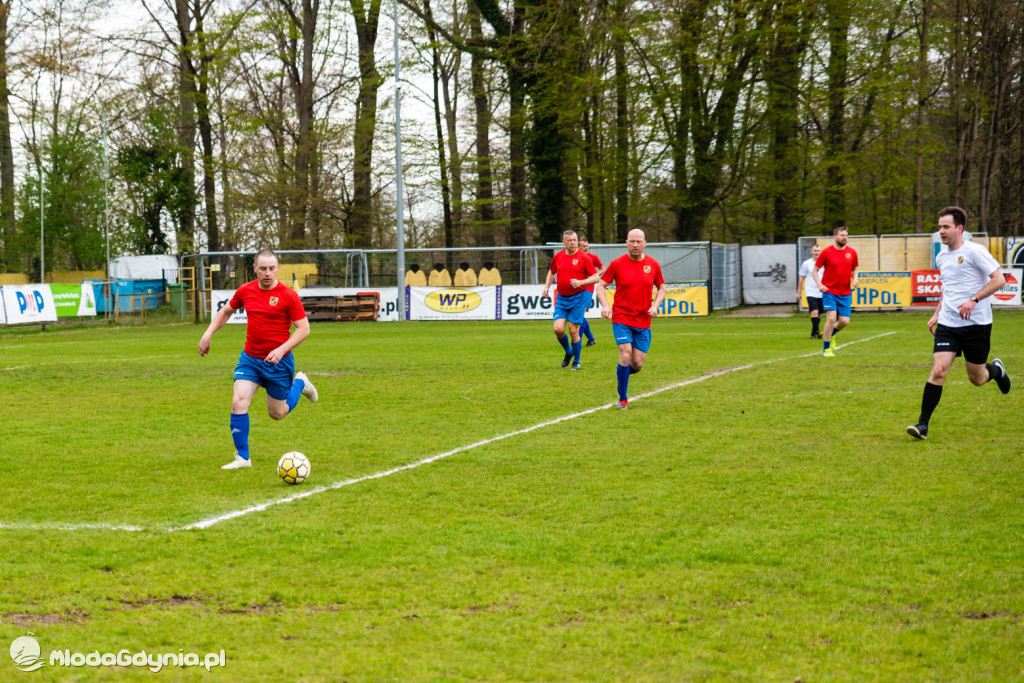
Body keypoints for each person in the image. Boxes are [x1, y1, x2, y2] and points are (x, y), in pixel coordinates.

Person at [199, 249, 319, 470]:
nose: (267, 273)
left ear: (277, 268)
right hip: (251, 359)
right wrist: (208, 334)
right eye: (262, 269)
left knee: (277, 413)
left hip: (279, 363)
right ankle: (243, 458)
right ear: (254, 269)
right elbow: (226, 312)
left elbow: (303, 329)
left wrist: (281, 350)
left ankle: (300, 382)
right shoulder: (246, 290)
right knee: (238, 402)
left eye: (272, 268)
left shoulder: (288, 295)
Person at [907, 206, 1010, 440]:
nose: (941, 231)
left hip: (977, 324)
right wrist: (936, 313)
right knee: (938, 370)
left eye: (946, 227)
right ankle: (922, 425)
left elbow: (999, 279)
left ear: (959, 228)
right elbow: (948, 288)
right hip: (948, 323)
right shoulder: (941, 256)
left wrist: (974, 299)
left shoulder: (975, 252)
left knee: (977, 378)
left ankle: (997, 371)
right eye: (939, 227)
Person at [592, 229, 666, 409]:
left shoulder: (653, 264)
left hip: (643, 320)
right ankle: (623, 399)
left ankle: (621, 374)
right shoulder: (617, 264)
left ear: (644, 243)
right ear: (626, 243)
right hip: (621, 317)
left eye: (638, 241)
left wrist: (655, 306)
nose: (635, 245)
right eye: (632, 241)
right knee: (625, 354)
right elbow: (601, 286)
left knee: (637, 364)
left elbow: (662, 288)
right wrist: (605, 305)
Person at [542, 230, 597, 370]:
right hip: (562, 298)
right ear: (564, 242)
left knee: (573, 330)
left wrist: (581, 282)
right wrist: (546, 287)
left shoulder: (584, 257)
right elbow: (552, 272)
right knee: (558, 329)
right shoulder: (558, 256)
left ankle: (576, 362)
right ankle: (569, 352)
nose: (573, 243)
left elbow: (596, 277)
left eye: (575, 240)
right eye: (570, 240)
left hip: (578, 298)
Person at [813, 226, 859, 357]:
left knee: (844, 321)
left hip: (845, 292)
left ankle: (831, 335)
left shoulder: (852, 252)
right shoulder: (826, 252)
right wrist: (820, 285)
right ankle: (826, 349)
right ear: (835, 237)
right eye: (842, 235)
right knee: (831, 318)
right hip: (829, 291)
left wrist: (854, 279)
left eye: (846, 235)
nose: (845, 237)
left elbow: (854, 269)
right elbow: (814, 270)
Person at [578, 239, 606, 347]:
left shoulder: (593, 257)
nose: (586, 248)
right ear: (578, 247)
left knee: (580, 314)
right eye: (583, 246)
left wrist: (595, 275)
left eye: (587, 246)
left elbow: (602, 269)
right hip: (577, 288)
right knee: (579, 315)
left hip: (588, 288)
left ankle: (578, 340)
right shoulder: (575, 258)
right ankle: (591, 339)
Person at [797, 244, 825, 339]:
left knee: (819, 314)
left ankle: (813, 333)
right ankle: (817, 331)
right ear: (811, 252)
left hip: (821, 292)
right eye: (815, 250)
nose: (817, 252)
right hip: (810, 291)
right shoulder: (806, 264)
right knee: (814, 311)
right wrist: (799, 291)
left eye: (818, 250)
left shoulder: (824, 263)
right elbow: (801, 277)